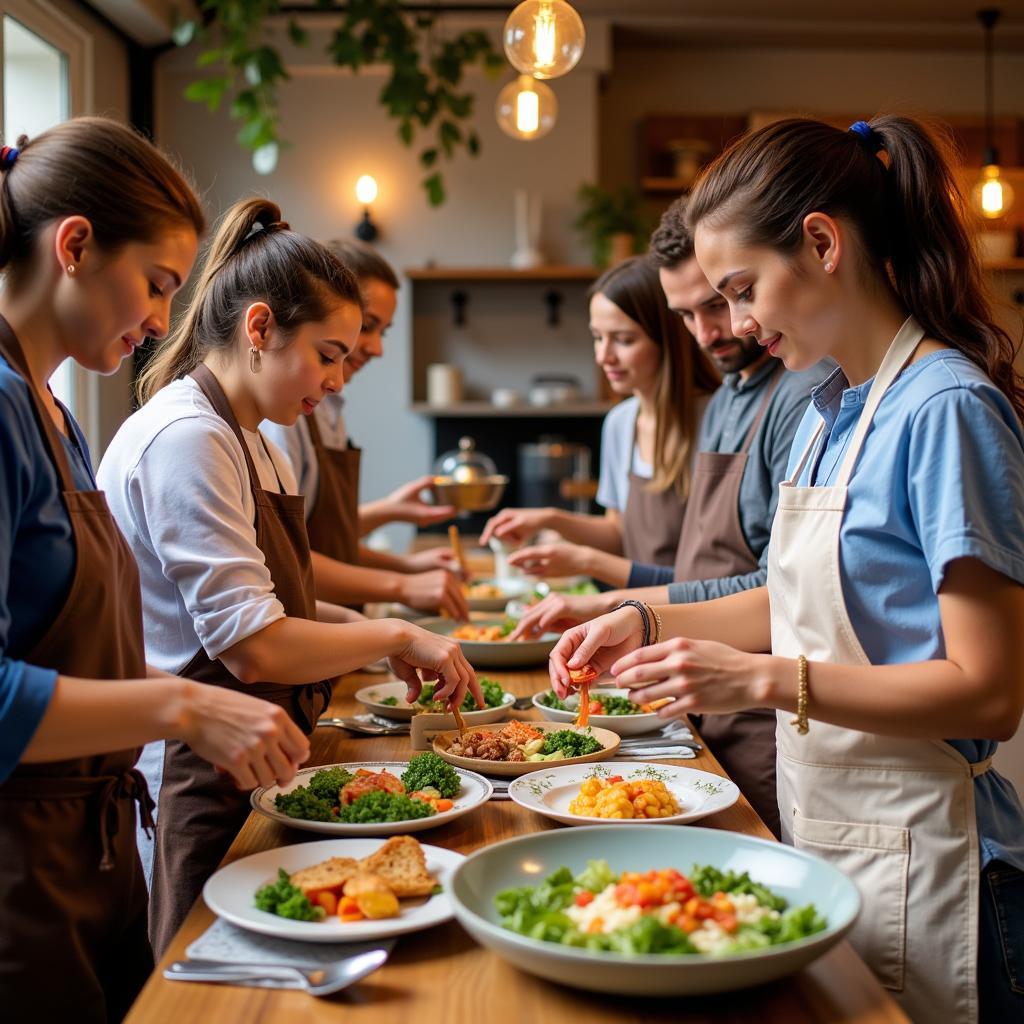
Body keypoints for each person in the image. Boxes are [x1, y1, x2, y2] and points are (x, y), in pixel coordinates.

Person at [549, 116, 1024, 1023]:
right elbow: (794, 599)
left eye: (740, 290)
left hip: (936, 867)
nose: (732, 326)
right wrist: (644, 620)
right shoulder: (827, 412)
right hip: (833, 843)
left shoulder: (947, 409)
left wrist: (761, 679)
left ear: (821, 241)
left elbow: (989, 691)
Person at [99, 197, 481, 957]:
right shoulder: (187, 440)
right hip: (194, 777)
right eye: (331, 352)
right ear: (261, 328)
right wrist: (399, 628)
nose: (339, 378)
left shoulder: (254, 440)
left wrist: (387, 637)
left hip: (258, 758)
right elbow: (254, 648)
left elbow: (287, 606)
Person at [0, 118, 309, 1024]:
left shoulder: (54, 415)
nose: (160, 322)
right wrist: (184, 704)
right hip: (22, 871)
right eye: (157, 286)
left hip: (87, 852)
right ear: (75, 245)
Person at [515, 198, 829, 833]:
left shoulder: (802, 395)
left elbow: (784, 593)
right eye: (689, 314)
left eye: (723, 300)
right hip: (697, 697)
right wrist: (626, 612)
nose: (717, 330)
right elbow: (700, 563)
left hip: (759, 707)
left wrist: (630, 608)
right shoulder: (725, 403)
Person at [262, 239, 467, 620]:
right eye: (367, 327)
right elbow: (285, 556)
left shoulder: (326, 410)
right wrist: (403, 582)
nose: (375, 348)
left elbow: (324, 537)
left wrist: (399, 539)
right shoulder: (282, 417)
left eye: (382, 332)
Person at [480, 255, 718, 574]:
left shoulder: (717, 419)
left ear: (669, 341)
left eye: (623, 340)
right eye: (598, 337)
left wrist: (583, 560)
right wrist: (550, 519)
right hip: (635, 613)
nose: (603, 356)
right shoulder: (621, 422)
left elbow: (716, 573)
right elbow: (618, 535)